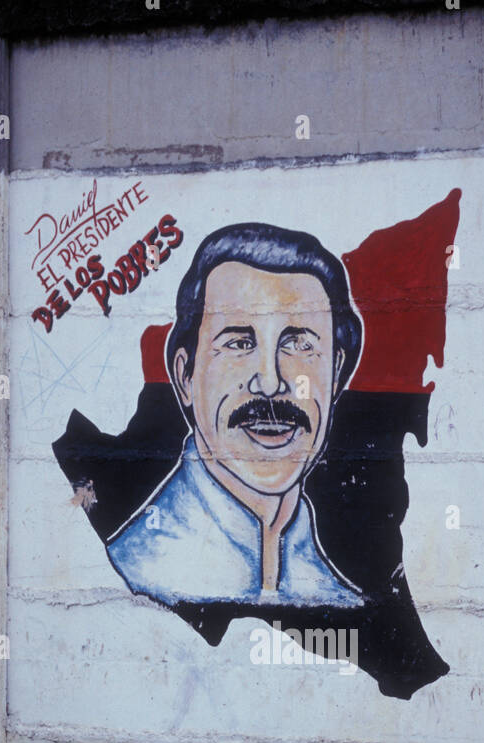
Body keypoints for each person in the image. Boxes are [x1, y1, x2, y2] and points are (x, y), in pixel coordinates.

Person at [104, 224, 364, 607]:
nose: (271, 382)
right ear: (186, 376)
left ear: (336, 374)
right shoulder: (135, 580)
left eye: (299, 344)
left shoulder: (340, 602)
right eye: (239, 343)